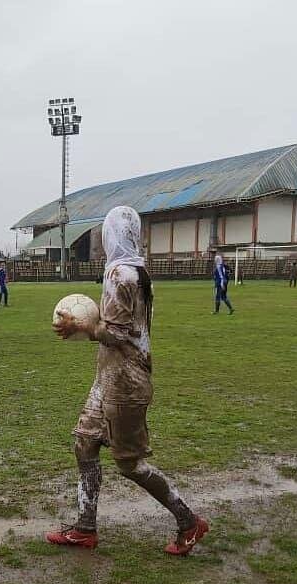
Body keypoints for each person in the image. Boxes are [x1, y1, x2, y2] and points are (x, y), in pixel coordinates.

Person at [48, 205, 208, 555]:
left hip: (126, 383)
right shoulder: (131, 270)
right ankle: (85, 528)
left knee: (129, 463)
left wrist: (81, 326)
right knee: (84, 443)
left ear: (110, 236)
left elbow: (117, 335)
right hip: (109, 377)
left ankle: (189, 521)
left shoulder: (122, 275)